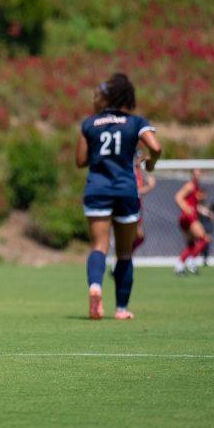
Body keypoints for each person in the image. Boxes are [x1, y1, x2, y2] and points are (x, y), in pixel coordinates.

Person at [77, 73, 161, 320]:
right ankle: (121, 309)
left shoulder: (89, 123)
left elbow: (80, 160)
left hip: (97, 189)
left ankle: (95, 286)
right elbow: (155, 147)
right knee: (124, 252)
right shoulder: (135, 123)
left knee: (99, 246)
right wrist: (151, 163)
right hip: (125, 190)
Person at [174, 169, 210, 275]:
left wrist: (205, 212)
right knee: (204, 238)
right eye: (196, 172)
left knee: (191, 245)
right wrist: (186, 208)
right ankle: (191, 260)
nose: (198, 175)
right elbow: (178, 197)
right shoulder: (190, 186)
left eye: (200, 172)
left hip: (187, 218)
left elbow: (194, 205)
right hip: (188, 218)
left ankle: (179, 266)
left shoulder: (196, 187)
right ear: (192, 175)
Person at [131, 150, 157, 252]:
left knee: (139, 237)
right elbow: (135, 192)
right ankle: (122, 260)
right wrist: (150, 187)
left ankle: (123, 260)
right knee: (133, 236)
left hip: (137, 207)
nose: (139, 160)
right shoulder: (131, 171)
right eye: (137, 158)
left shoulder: (138, 171)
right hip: (131, 207)